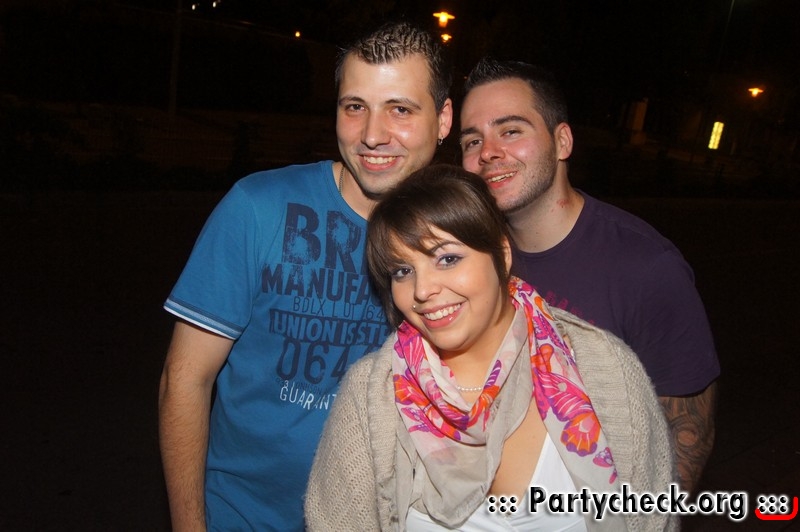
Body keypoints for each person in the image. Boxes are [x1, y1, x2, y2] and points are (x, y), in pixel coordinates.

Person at [157, 21, 453, 531]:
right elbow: (185, 379)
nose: (372, 135)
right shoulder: (258, 207)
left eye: (400, 110)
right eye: (354, 106)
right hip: (242, 518)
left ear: (443, 118)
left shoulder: (459, 237)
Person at [305, 165, 676, 531]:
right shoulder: (373, 395)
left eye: (447, 259)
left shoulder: (603, 368)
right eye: (402, 270)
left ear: (502, 253)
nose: (422, 290)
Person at [458, 57, 720, 494]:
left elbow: (687, 432)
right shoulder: (467, 255)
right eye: (472, 140)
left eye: (511, 130)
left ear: (562, 141)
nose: (488, 152)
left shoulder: (647, 267)